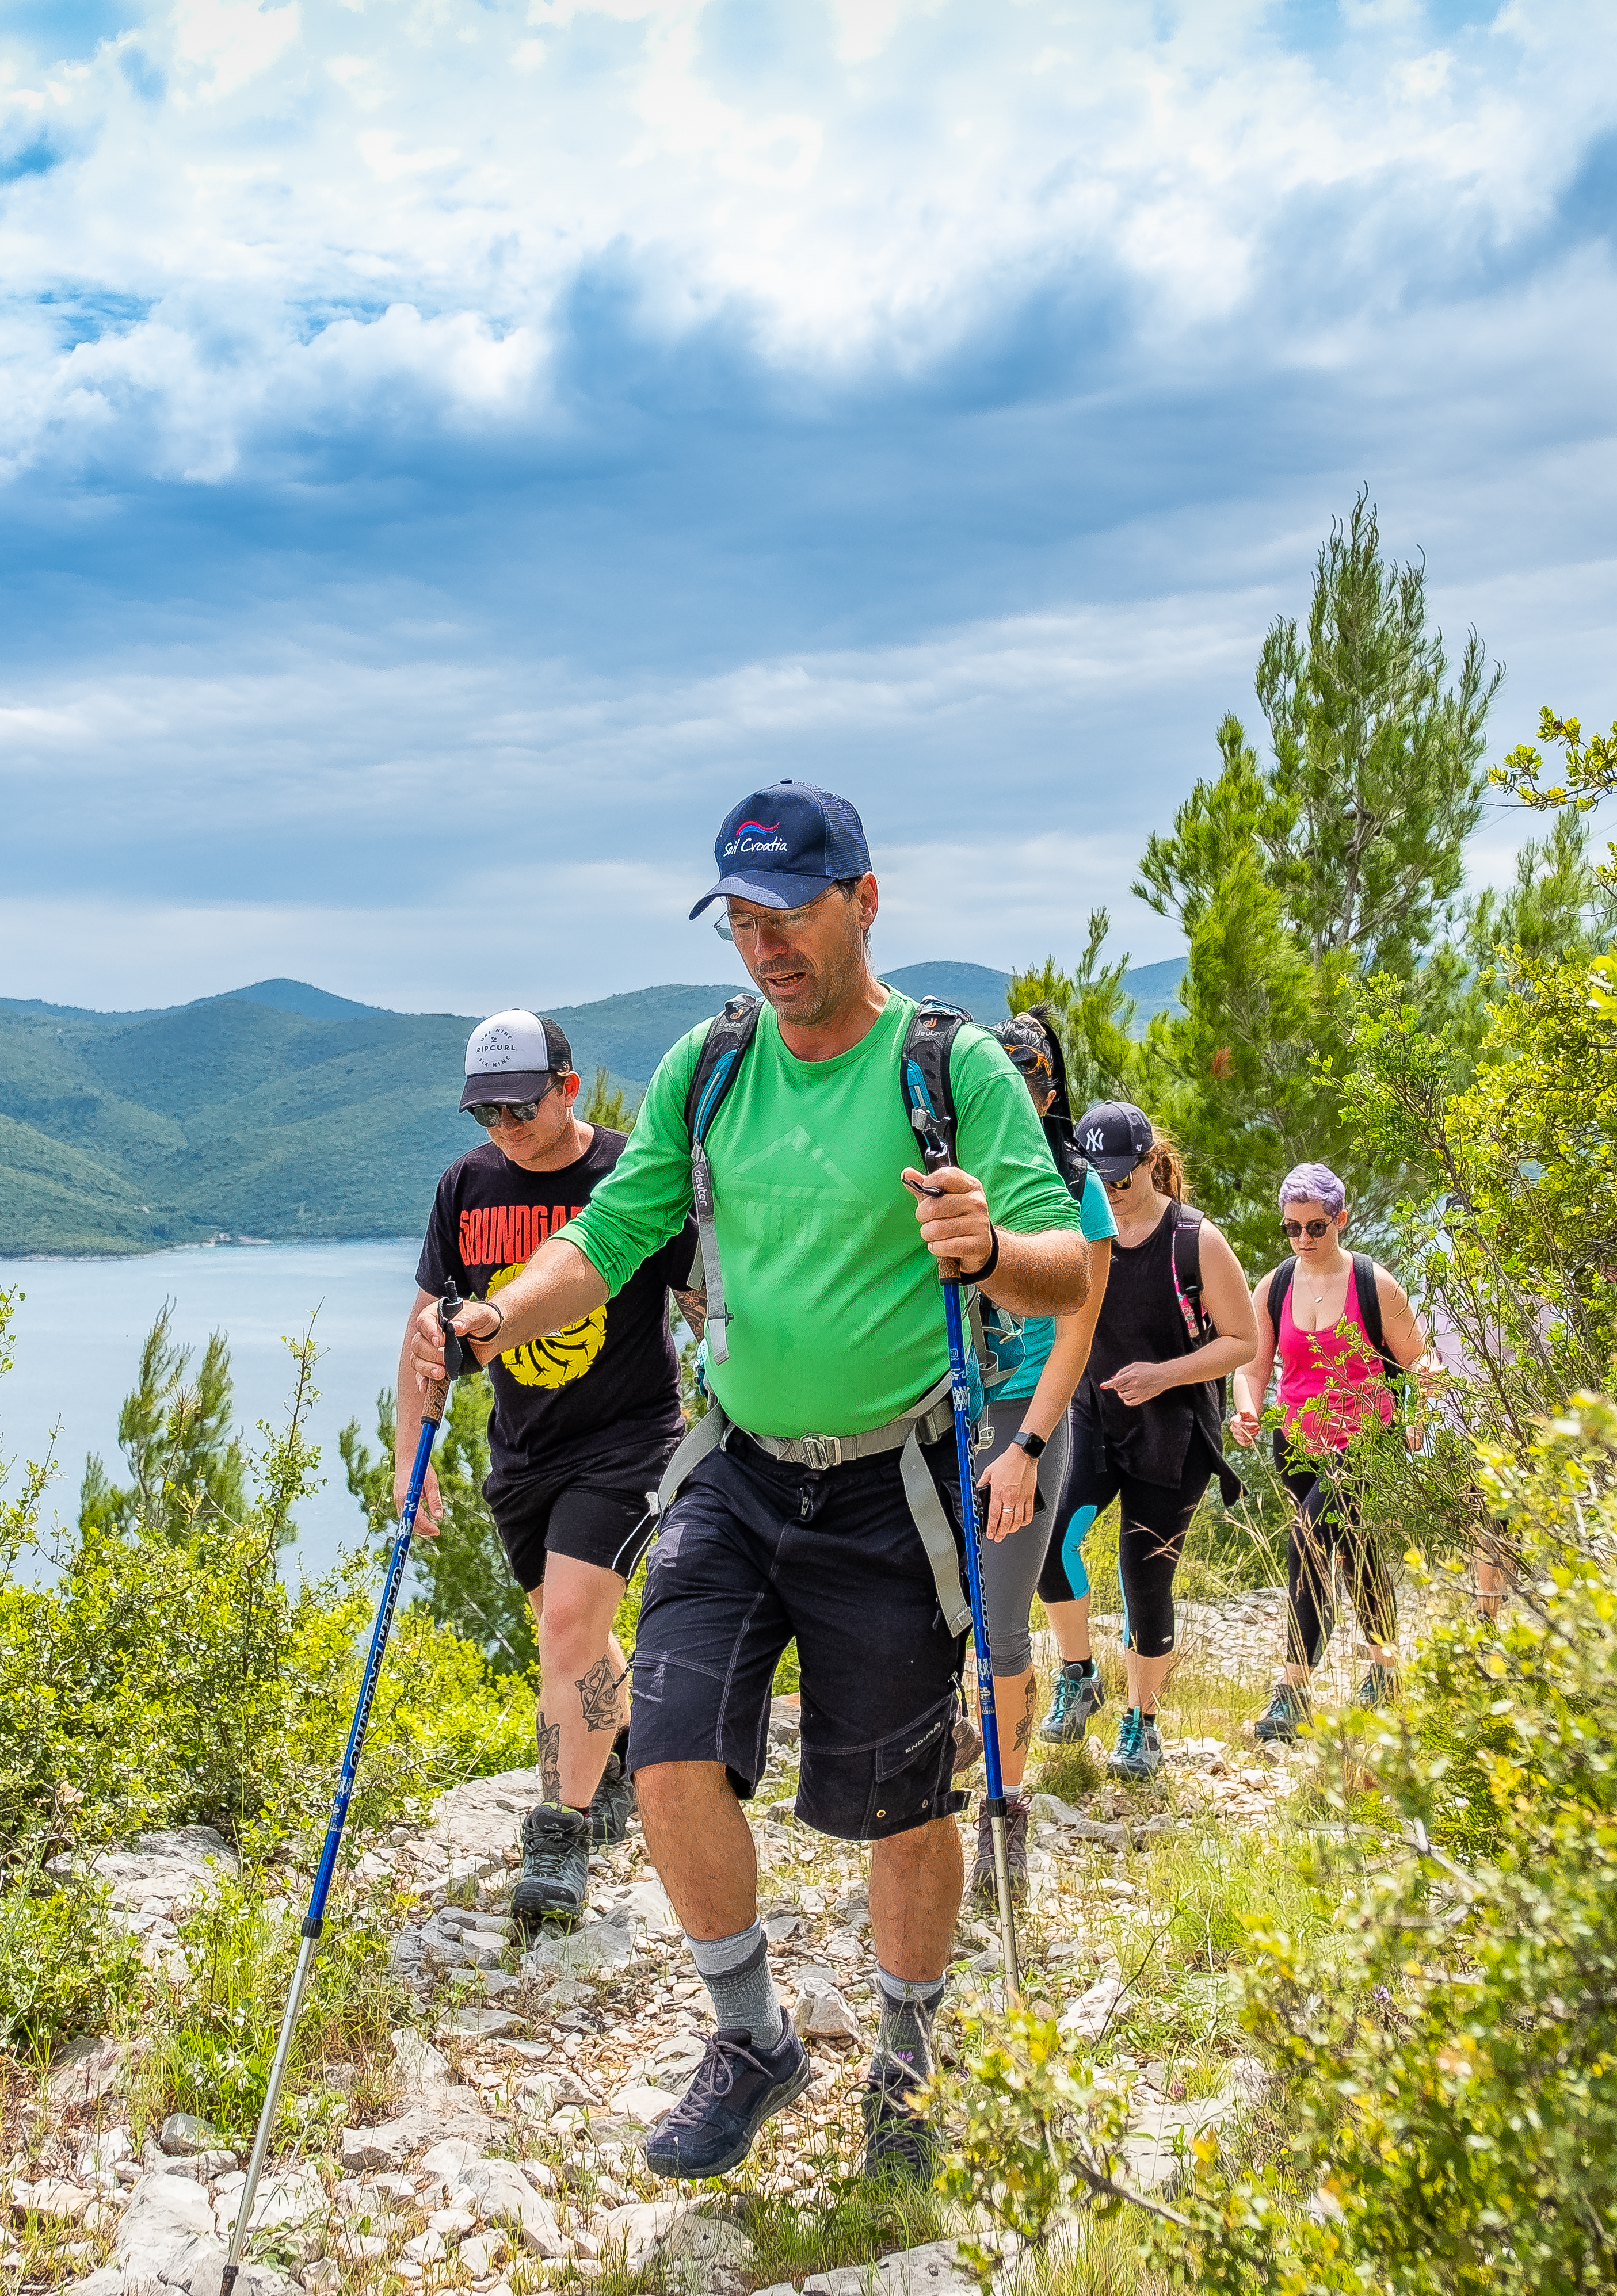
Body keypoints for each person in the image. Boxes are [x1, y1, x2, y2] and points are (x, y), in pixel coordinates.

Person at [408, 780, 1084, 2187]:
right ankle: (752, 2035)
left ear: (865, 901)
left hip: (894, 1479)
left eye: (788, 915)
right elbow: (610, 1234)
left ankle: (903, 2060)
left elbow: (1066, 1266)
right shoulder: (708, 1067)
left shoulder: (951, 1070)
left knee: (902, 1803)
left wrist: (987, 1252)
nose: (764, 946)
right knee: (664, 1749)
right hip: (733, 1464)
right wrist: (490, 1316)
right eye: (739, 921)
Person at [399, 1010, 695, 1932]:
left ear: (567, 1087)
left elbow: (701, 1296)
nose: (504, 1128)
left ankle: (557, 1836)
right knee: (577, 1640)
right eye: (484, 1113)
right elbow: (423, 1332)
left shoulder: (627, 1175)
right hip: (523, 1452)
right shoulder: (467, 1187)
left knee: (568, 1625)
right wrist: (413, 1454)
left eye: (519, 1106)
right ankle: (622, 1755)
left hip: (630, 1439)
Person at [1030, 1103, 1255, 1782]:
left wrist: (1163, 1375)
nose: (1113, 1188)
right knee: (1046, 1543)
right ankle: (1080, 1673)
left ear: (1151, 1162)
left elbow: (1243, 1343)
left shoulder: (1196, 1241)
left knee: (1144, 1580)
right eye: (1100, 1177)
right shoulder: (1080, 1229)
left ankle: (1142, 1723)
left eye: (1124, 1176)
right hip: (1094, 1418)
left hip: (1175, 1432)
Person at [959, 1014, 1119, 1909]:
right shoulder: (945, 1171)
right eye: (1005, 1072)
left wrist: (1025, 1447)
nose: (1020, 1089)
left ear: (1052, 1089)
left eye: (1034, 1075)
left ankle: (1005, 1816)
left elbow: (1076, 1330)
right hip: (936, 1410)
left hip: (1023, 1411)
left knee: (1002, 1619)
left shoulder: (1074, 1187)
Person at [1230, 1162, 1444, 1740]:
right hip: (1296, 1445)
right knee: (1353, 1552)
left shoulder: (1375, 1283)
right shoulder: (1274, 1286)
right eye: (1293, 1228)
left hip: (1366, 1444)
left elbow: (1423, 1361)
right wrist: (1247, 1408)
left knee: (1306, 1537)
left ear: (1341, 1220)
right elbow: (1251, 1367)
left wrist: (1420, 1413)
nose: (1304, 1239)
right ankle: (1385, 1672)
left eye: (1317, 1227)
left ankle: (1292, 1691)